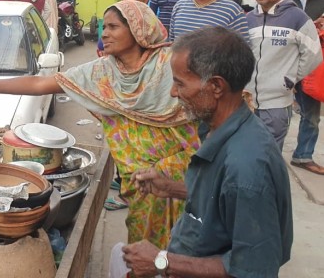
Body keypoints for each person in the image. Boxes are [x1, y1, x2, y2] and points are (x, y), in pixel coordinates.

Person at [0, 0, 200, 249]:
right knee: (145, 246)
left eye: (113, 27)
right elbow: (41, 83)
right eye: (104, 27)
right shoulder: (101, 72)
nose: (104, 33)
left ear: (138, 29)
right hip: (142, 181)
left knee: (191, 242)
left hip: (188, 174)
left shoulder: (170, 64)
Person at [122, 26, 292, 278]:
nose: (173, 92)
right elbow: (224, 202)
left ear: (215, 87)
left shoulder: (247, 168)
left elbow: (253, 268)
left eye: (180, 83)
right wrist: (172, 189)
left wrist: (162, 261)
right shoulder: (221, 130)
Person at [245, 0, 322, 151]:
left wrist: (290, 79)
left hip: (276, 104)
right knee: (247, 153)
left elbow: (314, 54)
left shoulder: (297, 18)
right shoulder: (248, 19)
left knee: (269, 155)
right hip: (246, 103)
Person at [283, 0, 324, 174]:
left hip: (311, 64)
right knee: (278, 112)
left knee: (311, 113)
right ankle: (270, 155)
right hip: (283, 60)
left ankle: (303, 155)